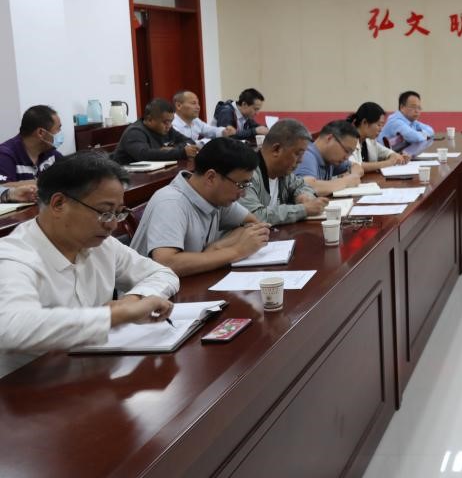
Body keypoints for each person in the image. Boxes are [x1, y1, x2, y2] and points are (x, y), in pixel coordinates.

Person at [0, 153, 178, 375]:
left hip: (94, 372)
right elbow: (12, 327)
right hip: (29, 386)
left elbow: (163, 274)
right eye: (105, 212)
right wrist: (116, 316)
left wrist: (132, 300)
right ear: (58, 203)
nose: (112, 225)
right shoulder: (12, 257)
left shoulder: (102, 244)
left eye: (118, 213)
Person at [131, 138, 269, 277]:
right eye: (241, 185)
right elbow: (167, 263)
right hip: (147, 288)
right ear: (211, 177)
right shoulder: (171, 203)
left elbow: (253, 224)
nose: (243, 193)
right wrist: (238, 251)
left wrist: (217, 247)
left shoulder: (217, 197)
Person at [239, 119, 328, 224]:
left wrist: (304, 196)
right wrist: (303, 209)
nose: (301, 160)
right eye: (298, 154)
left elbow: (301, 185)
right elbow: (253, 216)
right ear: (276, 149)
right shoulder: (246, 174)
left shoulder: (283, 173)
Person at [0, 105, 64, 204]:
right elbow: (2, 187)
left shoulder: (51, 153)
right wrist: (46, 182)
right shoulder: (5, 154)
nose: (60, 133)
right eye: (58, 128)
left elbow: (68, 176)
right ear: (41, 133)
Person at [111, 99, 199, 164]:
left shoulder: (168, 129)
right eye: (165, 122)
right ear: (149, 119)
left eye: (171, 121)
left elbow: (189, 141)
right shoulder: (134, 132)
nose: (169, 126)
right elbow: (144, 155)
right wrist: (181, 152)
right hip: (126, 176)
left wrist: (173, 149)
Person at [295, 120, 364, 196]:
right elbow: (307, 187)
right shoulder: (306, 155)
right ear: (330, 138)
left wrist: (353, 176)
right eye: (346, 150)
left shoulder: (330, 159)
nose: (347, 157)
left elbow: (356, 166)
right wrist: (346, 181)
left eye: (350, 153)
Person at [347, 102, 410, 172]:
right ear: (365, 122)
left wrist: (397, 157)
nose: (381, 129)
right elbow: (355, 166)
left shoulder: (369, 141)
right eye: (379, 125)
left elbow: (389, 153)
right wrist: (388, 163)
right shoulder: (348, 140)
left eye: (382, 125)